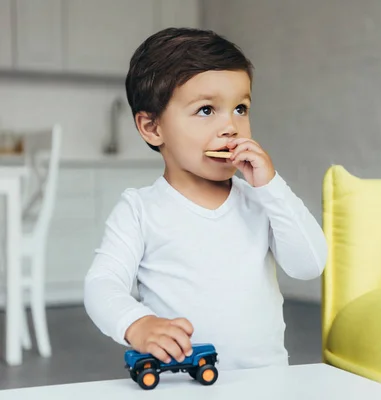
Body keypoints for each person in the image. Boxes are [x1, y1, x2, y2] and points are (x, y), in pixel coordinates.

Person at [83, 28, 327, 371]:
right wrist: (136, 323)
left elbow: (310, 265)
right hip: (181, 379)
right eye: (206, 110)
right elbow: (102, 284)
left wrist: (271, 187)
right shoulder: (140, 210)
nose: (231, 126)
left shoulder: (260, 200)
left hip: (266, 382)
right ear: (153, 128)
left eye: (240, 108)